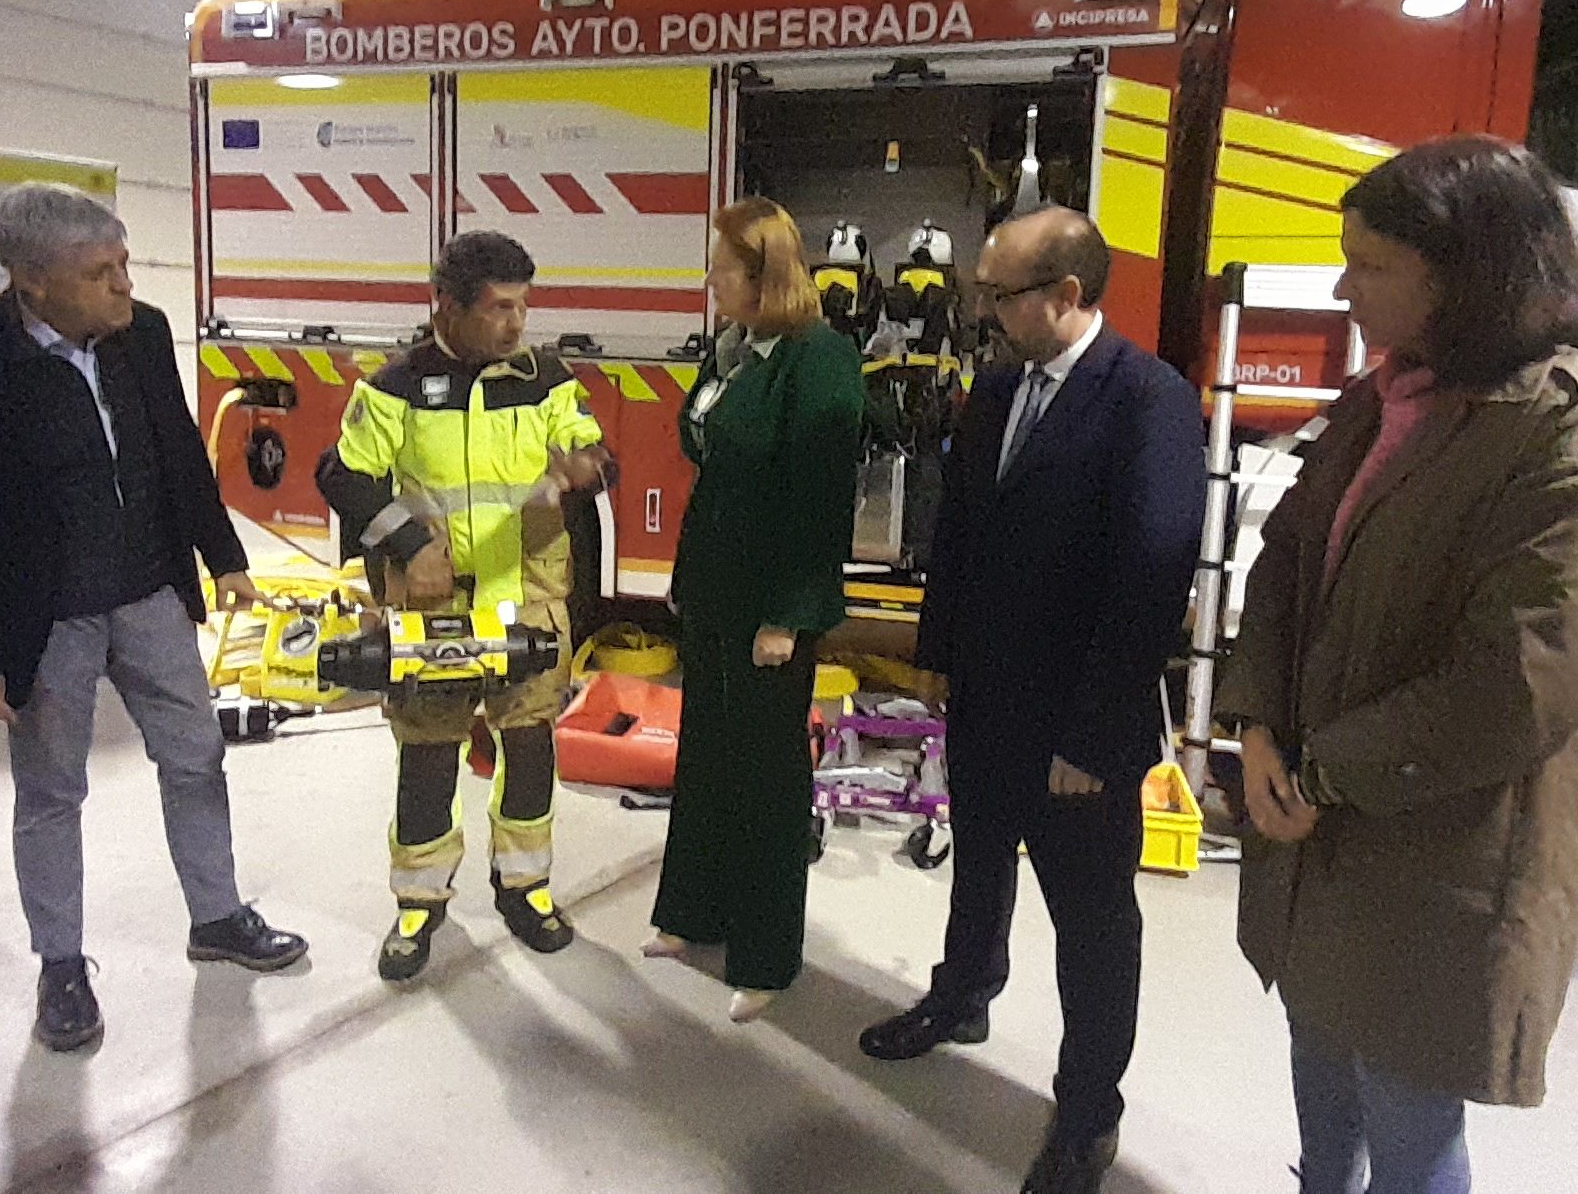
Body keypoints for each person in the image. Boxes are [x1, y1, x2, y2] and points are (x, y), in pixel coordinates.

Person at [1222, 135, 1578, 1194]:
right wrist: (1252, 731)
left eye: (1372, 267)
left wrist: (1315, 774)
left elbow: (1514, 685)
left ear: (1472, 275)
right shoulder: (1386, 399)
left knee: (1409, 1124)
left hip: (1438, 854)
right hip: (1319, 823)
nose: (1343, 289)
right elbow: (1283, 564)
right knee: (1323, 1076)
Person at [0, 182, 305, 1054]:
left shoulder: (140, 333)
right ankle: (62, 965)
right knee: (51, 794)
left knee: (197, 758)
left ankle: (218, 915)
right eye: (100, 272)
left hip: (149, 592)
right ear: (33, 283)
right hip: (46, 620)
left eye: (123, 264)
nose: (124, 285)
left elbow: (178, 449)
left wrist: (223, 557)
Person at [858, 207, 1203, 1194]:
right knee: (978, 868)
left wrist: (1092, 741)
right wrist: (936, 656)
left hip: (1078, 726)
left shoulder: (1149, 401)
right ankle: (961, 994)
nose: (980, 308)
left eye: (998, 293)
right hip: (988, 696)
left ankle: (1088, 1112)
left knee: (1093, 924)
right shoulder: (999, 388)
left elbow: (1150, 579)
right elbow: (959, 530)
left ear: (1066, 296)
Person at [315, 230, 612, 981]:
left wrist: (590, 466)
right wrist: (409, 543)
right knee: (428, 751)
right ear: (446, 305)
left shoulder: (545, 377)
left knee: (529, 745)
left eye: (524, 306)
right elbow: (344, 477)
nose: (516, 324)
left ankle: (525, 890)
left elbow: (588, 443)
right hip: (433, 602)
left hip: (529, 594)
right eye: (500, 308)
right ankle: (419, 903)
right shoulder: (394, 389)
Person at [644, 198, 865, 1022]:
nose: (709, 280)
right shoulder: (734, 350)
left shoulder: (820, 361)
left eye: (721, 268)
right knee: (705, 755)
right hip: (710, 591)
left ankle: (767, 957)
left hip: (771, 605)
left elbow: (819, 504)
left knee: (768, 776)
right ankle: (692, 915)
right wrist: (684, 577)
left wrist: (789, 615)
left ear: (763, 275)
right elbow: (711, 470)